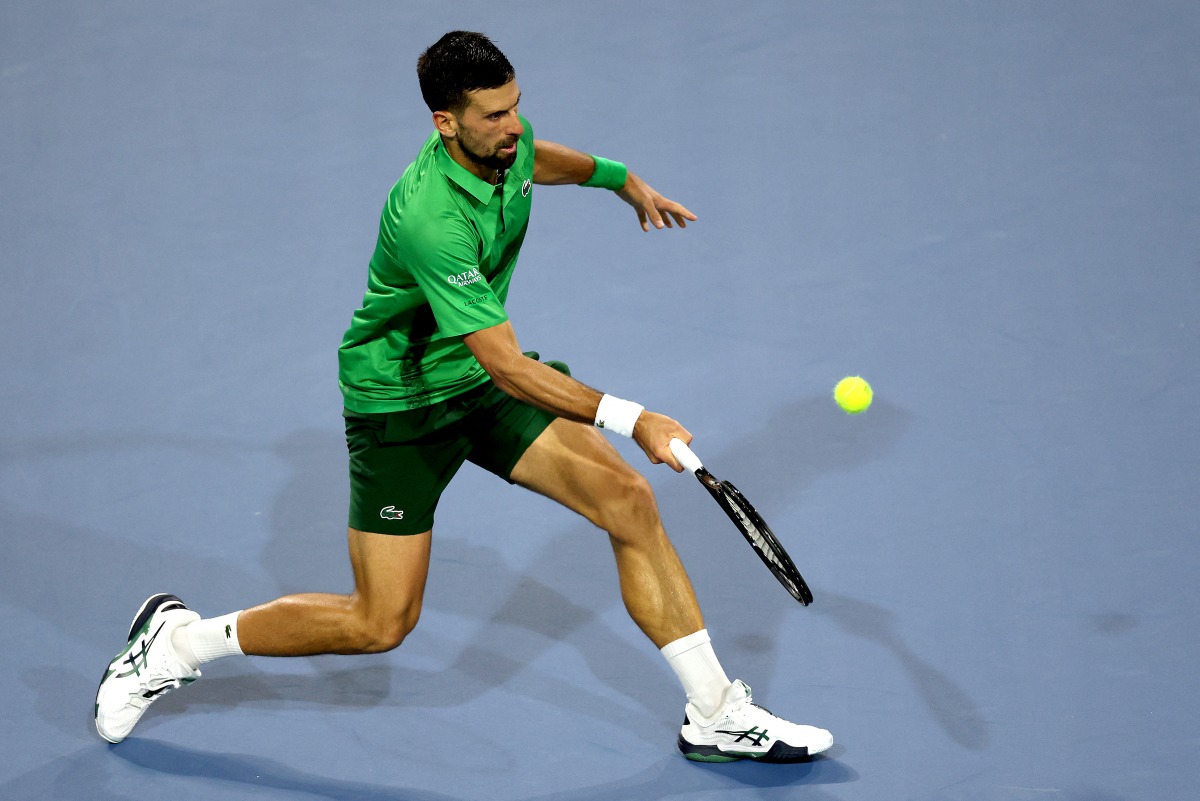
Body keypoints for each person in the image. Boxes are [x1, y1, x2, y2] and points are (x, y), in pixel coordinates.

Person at [94, 30, 833, 763]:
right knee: (380, 623)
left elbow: (539, 160)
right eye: (493, 116)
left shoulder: (505, 140)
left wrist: (620, 177)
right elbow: (509, 366)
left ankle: (713, 713)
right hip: (403, 405)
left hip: (477, 378)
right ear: (445, 123)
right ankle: (178, 644)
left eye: (515, 107)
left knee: (628, 500)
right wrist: (633, 417)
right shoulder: (430, 218)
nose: (512, 125)